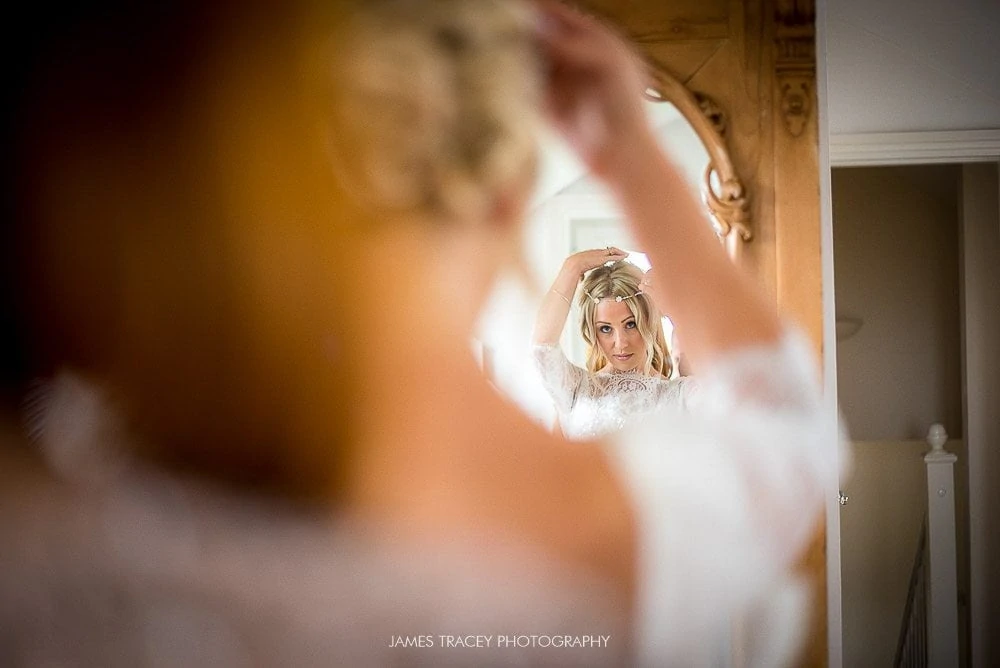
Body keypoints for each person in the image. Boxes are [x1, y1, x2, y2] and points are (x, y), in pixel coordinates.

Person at [0, 0, 842, 665]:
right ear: (506, 185)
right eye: (610, 322)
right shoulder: (584, 515)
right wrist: (626, 149)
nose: (619, 334)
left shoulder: (44, 492)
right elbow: (788, 437)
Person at [533, 251, 697, 439]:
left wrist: (675, 310)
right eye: (605, 329)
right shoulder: (575, 389)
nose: (621, 343)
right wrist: (571, 268)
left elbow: (728, 384)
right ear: (593, 332)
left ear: (649, 321)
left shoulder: (679, 396)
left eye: (631, 324)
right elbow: (542, 348)